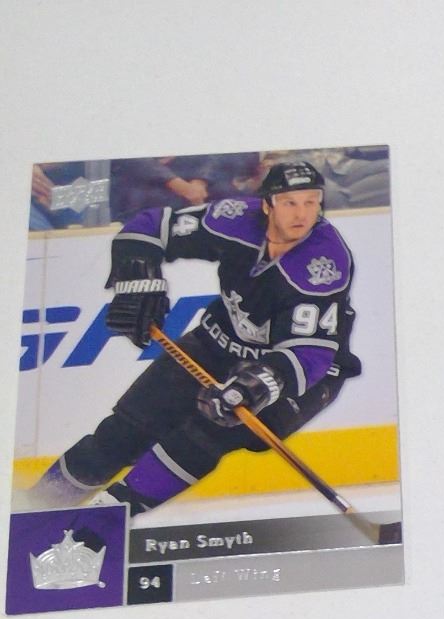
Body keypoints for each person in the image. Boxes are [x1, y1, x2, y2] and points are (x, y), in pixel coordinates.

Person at [23, 160, 361, 518]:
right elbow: (150, 226)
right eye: (290, 202)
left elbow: (310, 354)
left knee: (201, 438)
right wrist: (138, 275)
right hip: (216, 343)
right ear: (267, 204)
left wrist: (256, 386)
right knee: (123, 432)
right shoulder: (234, 219)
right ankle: (36, 509)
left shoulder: (323, 263)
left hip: (301, 376)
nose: (302, 214)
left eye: (311, 202)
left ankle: (97, 525)